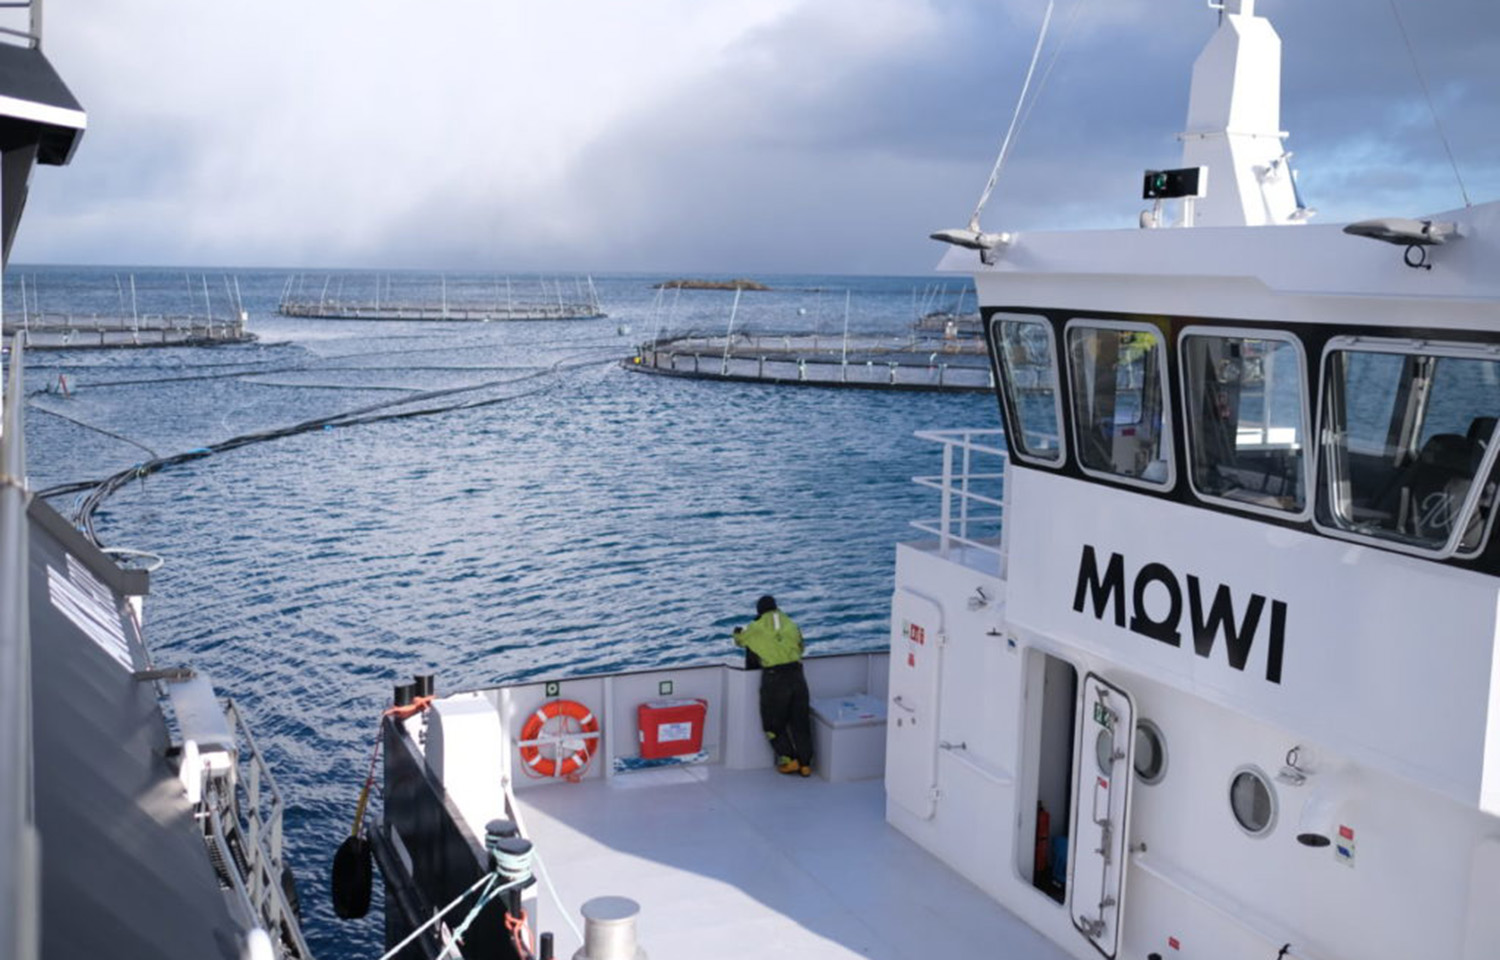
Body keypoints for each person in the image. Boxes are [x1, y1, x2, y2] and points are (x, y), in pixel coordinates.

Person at [733, 594, 813, 777]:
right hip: (797, 675)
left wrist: (737, 631)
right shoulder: (791, 624)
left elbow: (739, 640)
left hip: (775, 678)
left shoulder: (756, 627)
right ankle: (806, 764)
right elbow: (801, 647)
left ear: (759, 611)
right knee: (800, 722)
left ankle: (789, 759)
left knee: (773, 724)